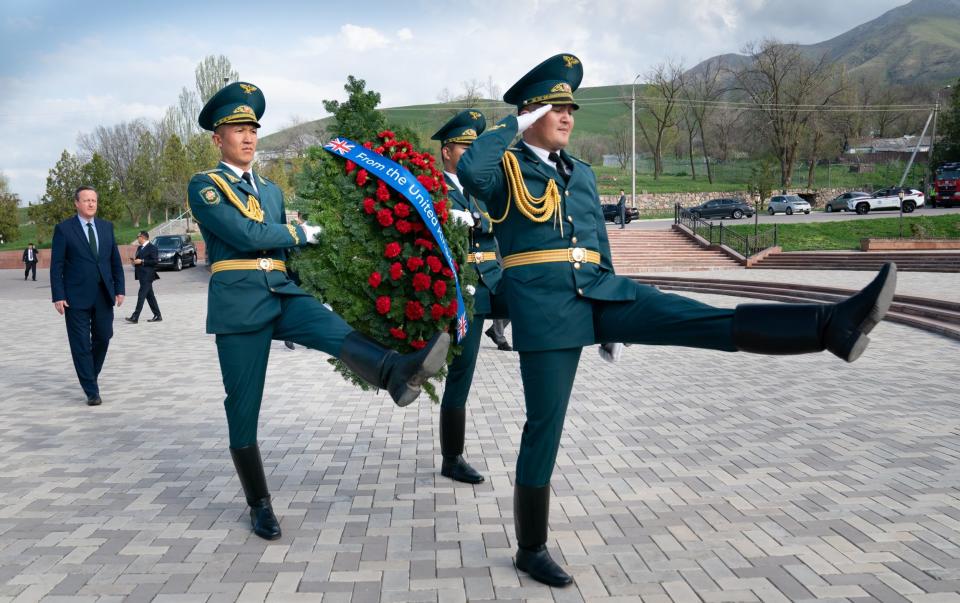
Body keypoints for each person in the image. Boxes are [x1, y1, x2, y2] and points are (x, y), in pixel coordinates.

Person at [457, 53, 897, 587]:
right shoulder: (504, 168)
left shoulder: (582, 173)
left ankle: (831, 326)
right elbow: (468, 171)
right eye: (555, 107)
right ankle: (531, 548)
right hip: (546, 311)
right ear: (531, 114)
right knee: (543, 430)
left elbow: (596, 243)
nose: (568, 115)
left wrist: (614, 327)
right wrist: (514, 123)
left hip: (601, 293)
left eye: (571, 107)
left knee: (700, 319)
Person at [188, 81, 450, 541]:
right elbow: (248, 236)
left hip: (281, 291)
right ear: (218, 138)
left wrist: (313, 276)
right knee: (243, 409)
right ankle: (259, 502)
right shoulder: (206, 186)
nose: (248, 137)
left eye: (252, 128)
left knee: (332, 328)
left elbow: (280, 249)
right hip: (239, 302)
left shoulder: (269, 190)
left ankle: (395, 372)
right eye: (237, 129)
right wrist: (299, 233)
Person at [431, 109, 509, 484]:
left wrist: (480, 221)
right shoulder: (433, 190)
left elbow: (502, 222)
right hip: (463, 290)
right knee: (462, 375)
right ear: (447, 152)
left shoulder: (481, 189)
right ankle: (452, 457)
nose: (472, 154)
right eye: (465, 147)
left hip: (496, 281)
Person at [50, 186, 125, 406]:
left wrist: (120, 288)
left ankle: (90, 373)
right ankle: (91, 390)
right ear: (76, 203)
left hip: (103, 294)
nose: (91, 204)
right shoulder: (64, 229)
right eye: (86, 200)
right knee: (81, 344)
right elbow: (57, 266)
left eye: (94, 200)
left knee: (104, 336)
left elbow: (114, 261)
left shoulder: (106, 227)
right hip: (75, 297)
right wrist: (58, 295)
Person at [126, 230, 162, 323]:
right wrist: (134, 262)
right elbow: (139, 260)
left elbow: (155, 261)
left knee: (141, 295)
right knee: (150, 296)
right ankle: (158, 315)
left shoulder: (152, 248)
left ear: (143, 237)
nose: (137, 238)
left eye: (138, 237)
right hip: (141, 275)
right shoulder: (139, 248)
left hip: (148, 276)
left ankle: (135, 317)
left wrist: (142, 261)